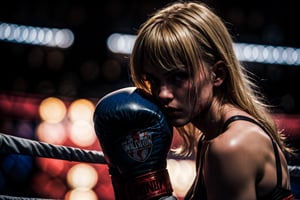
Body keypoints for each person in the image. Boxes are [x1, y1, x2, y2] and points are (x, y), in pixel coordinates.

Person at [129, 1, 296, 199]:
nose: (163, 93)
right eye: (153, 80)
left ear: (217, 74)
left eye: (178, 77)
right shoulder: (211, 138)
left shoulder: (231, 147)